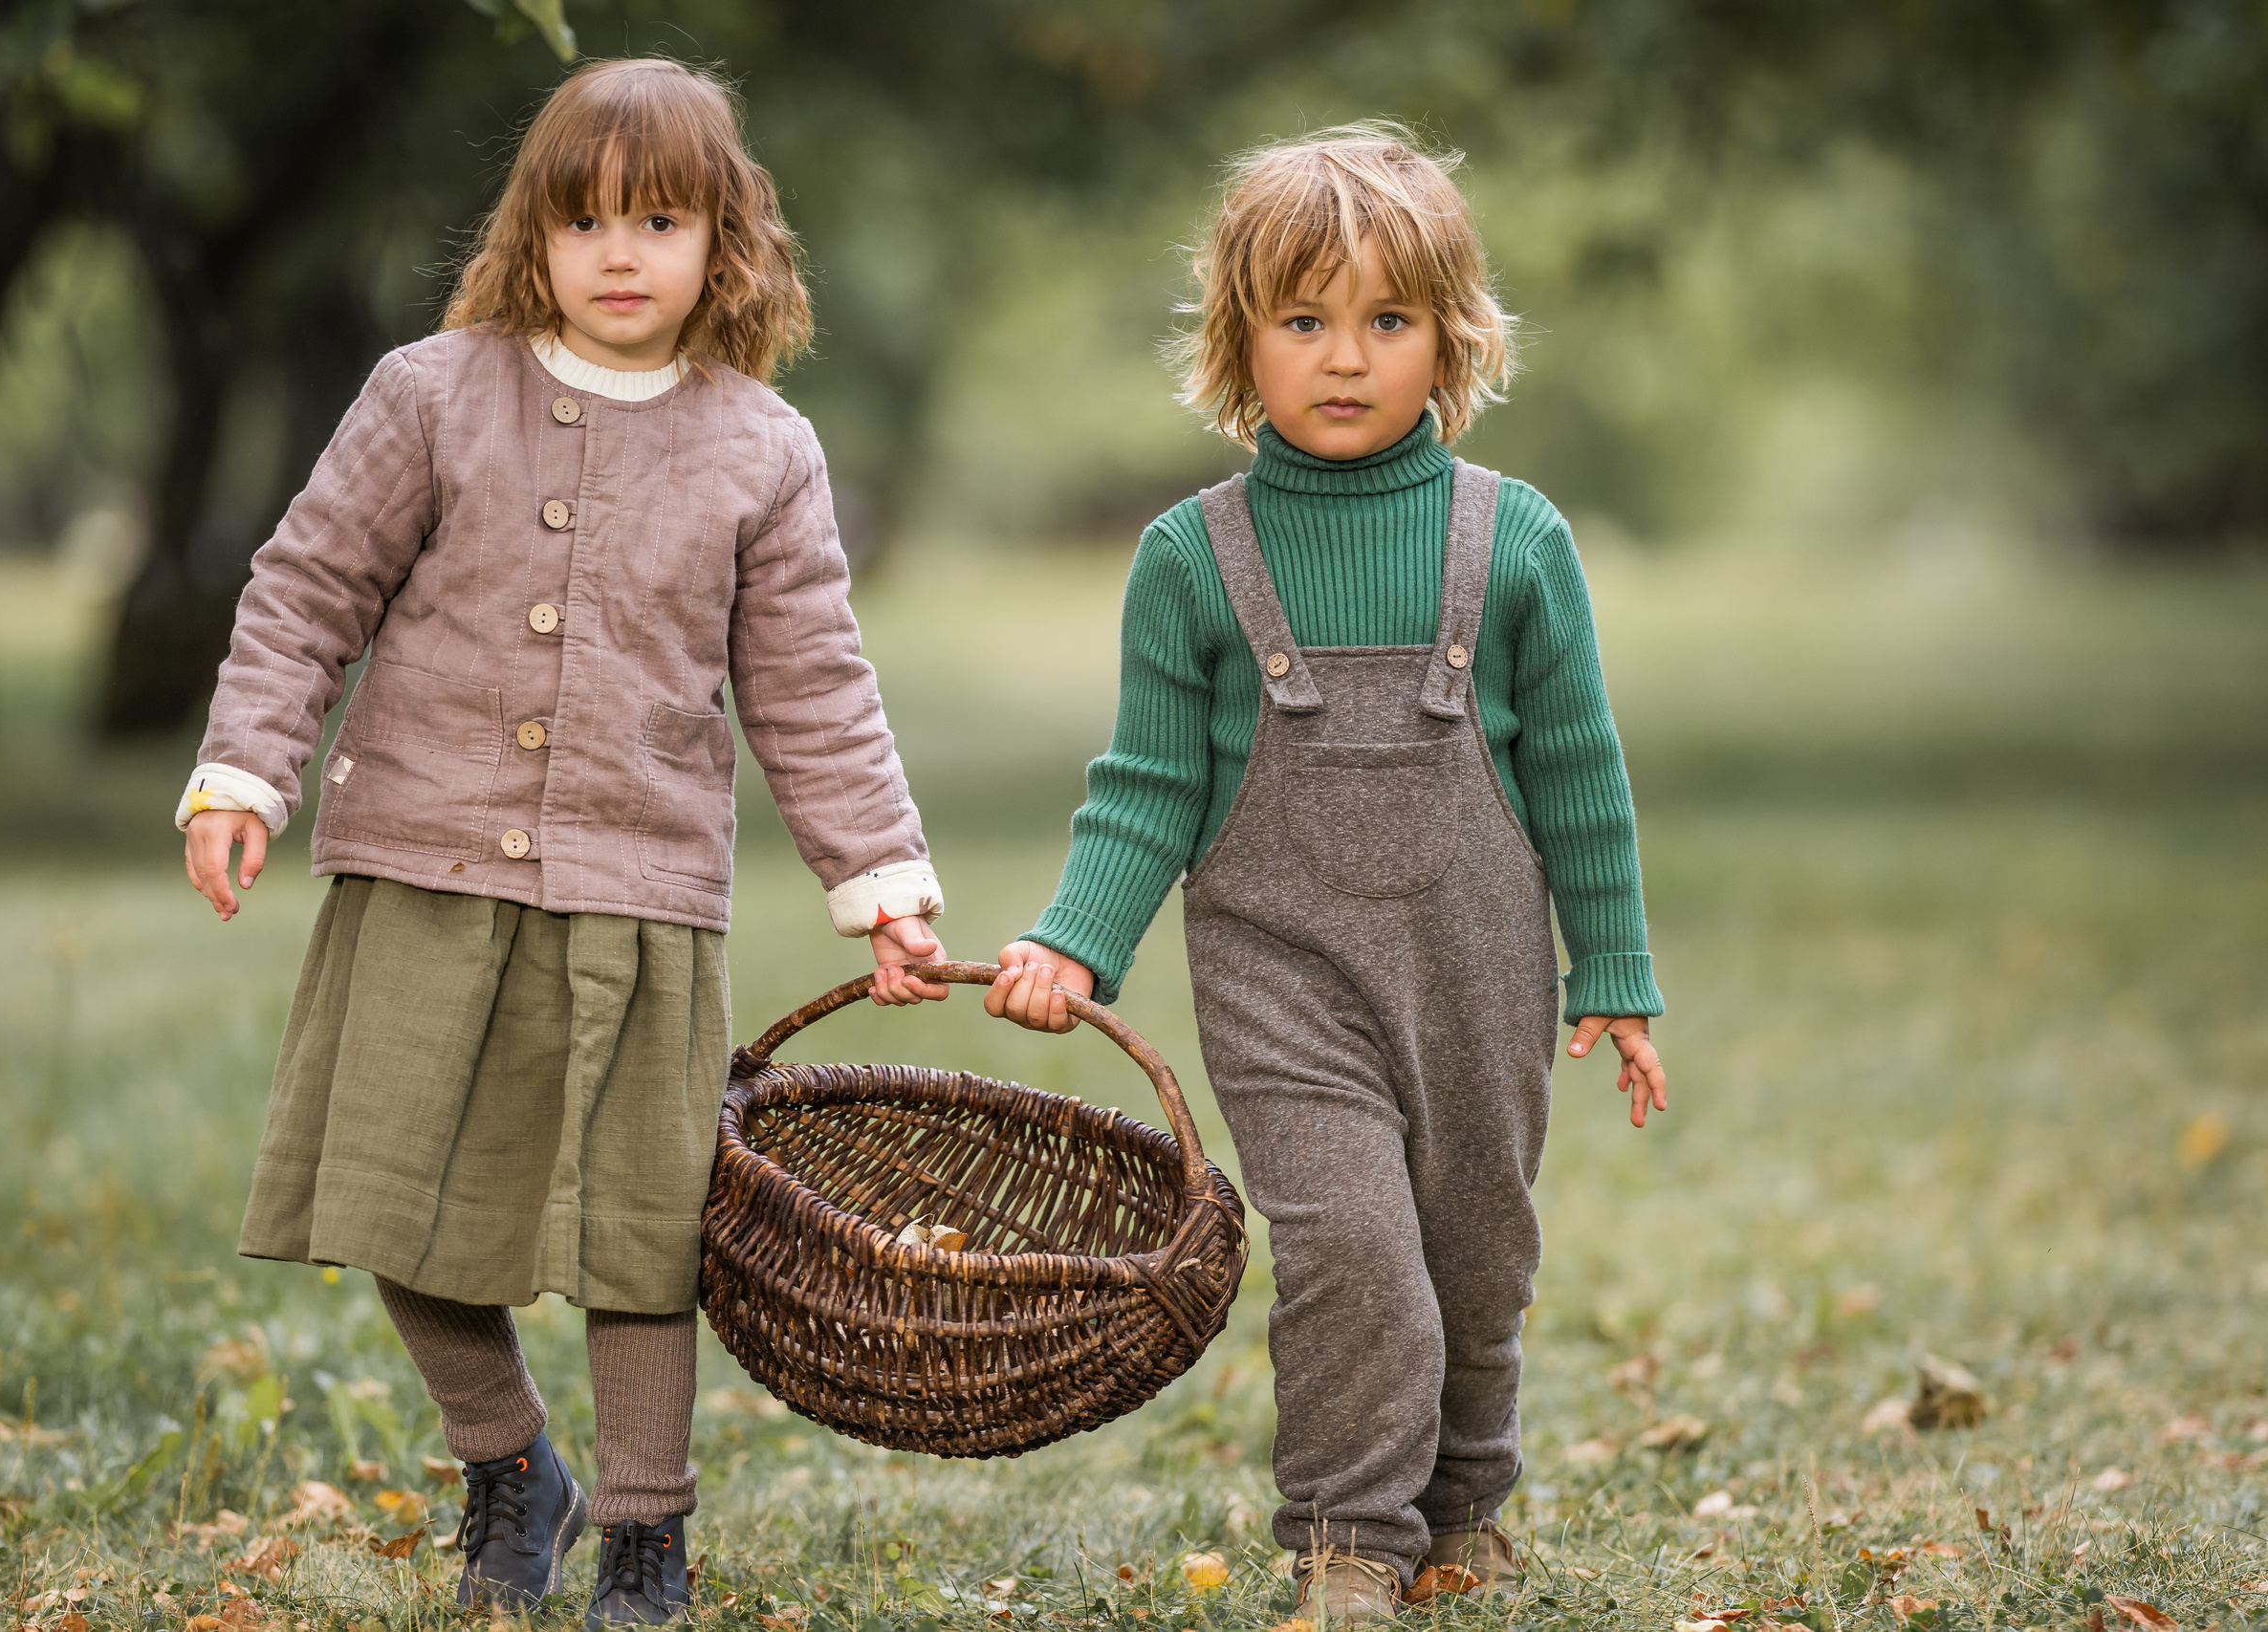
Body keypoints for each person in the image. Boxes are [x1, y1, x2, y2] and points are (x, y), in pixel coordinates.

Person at [176, 58, 949, 1628]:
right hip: (424, 867)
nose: (618, 254)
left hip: (640, 896)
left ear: (724, 241)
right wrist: (245, 773)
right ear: (532, 234)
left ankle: (649, 1535)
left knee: (637, 1235)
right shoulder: (426, 395)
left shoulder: (764, 449)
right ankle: (511, 1460)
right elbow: (308, 588)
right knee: (394, 1189)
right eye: (584, 219)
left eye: (658, 220)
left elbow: (812, 687)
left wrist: (879, 879)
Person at [984, 124, 1668, 1622]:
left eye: (1385, 321)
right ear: (1240, 341)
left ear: (1451, 337)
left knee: (1475, 1255)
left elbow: (1580, 774)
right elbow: (1148, 784)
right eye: (1303, 321)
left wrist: (1610, 968)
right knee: (1356, 1250)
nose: (1343, 357)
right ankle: (1350, 1541)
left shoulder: (1518, 541)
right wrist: (1074, 944)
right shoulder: (1190, 558)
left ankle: (1466, 1501)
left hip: (1477, 972)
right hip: (1282, 982)